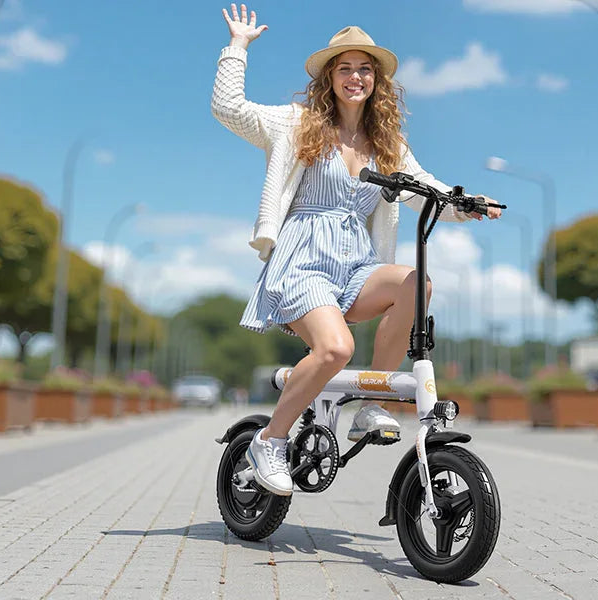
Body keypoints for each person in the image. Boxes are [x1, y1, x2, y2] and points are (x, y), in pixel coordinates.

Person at [212, 5, 501, 496]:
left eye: (364, 68)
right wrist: (237, 48)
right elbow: (229, 108)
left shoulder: (388, 144)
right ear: (330, 77)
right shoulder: (296, 124)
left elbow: (424, 188)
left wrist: (466, 203)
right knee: (337, 348)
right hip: (301, 262)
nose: (355, 77)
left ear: (377, 81)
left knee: (416, 284)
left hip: (353, 267)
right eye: (344, 67)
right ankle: (269, 440)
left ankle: (372, 402)